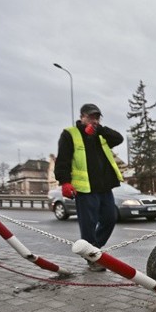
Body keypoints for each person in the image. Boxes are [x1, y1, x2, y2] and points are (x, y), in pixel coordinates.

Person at [54, 103, 124, 271]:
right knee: (88, 224)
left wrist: (99, 129)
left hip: (104, 187)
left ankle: (92, 250)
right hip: (85, 189)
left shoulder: (101, 135)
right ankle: (92, 258)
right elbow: (62, 160)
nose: (94, 120)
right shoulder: (70, 134)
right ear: (82, 117)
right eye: (91, 117)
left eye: (97, 117)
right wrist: (64, 182)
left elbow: (119, 138)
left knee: (110, 218)